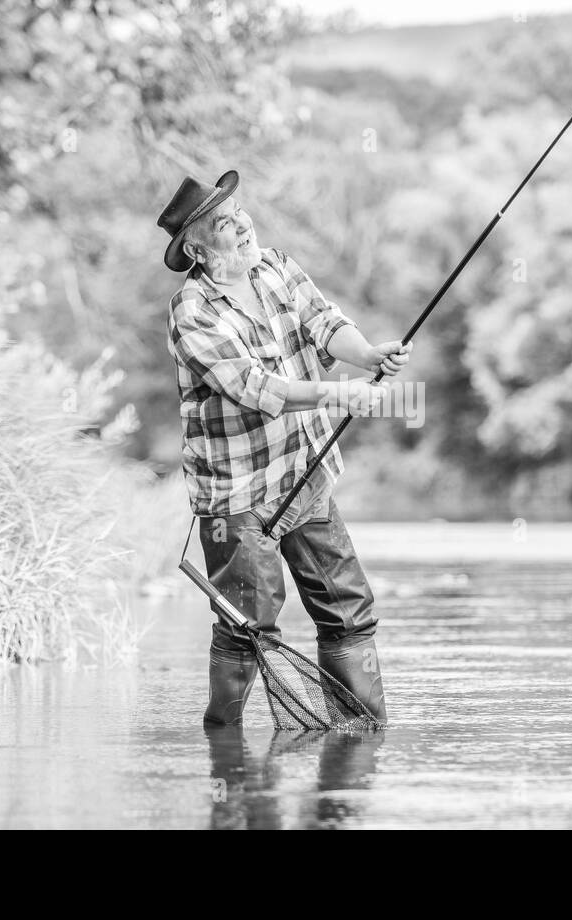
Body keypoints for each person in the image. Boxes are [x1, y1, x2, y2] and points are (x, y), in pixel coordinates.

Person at [161, 170, 411, 726]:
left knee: (348, 609)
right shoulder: (191, 311)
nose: (243, 225)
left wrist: (368, 355)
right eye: (225, 224)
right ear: (198, 250)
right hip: (238, 497)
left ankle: (360, 738)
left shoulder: (275, 264)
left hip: (305, 471)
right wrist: (338, 394)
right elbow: (256, 388)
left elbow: (325, 324)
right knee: (248, 624)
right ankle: (225, 747)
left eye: (239, 213)